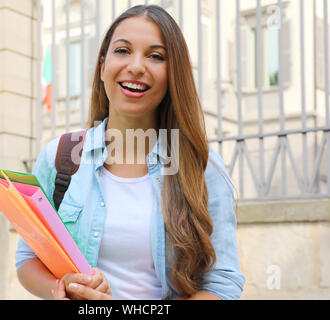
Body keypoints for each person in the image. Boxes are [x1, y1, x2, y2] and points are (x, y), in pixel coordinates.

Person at [16, 4, 245, 300]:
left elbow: (222, 285)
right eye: (123, 51)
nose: (136, 66)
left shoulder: (201, 167)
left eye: (156, 56)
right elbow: (27, 259)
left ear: (172, 75)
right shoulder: (59, 157)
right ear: (102, 67)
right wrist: (65, 288)